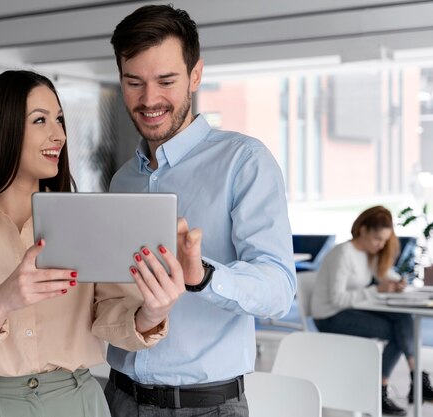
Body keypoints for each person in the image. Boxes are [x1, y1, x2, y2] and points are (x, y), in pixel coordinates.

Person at [0, 70, 192, 417]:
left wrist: (152, 312)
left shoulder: (85, 219)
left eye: (59, 119)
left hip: (78, 403)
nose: (58, 134)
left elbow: (110, 314)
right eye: (40, 120)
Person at [98, 5, 296, 416]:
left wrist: (203, 276)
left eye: (166, 81)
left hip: (207, 407)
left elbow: (279, 289)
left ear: (196, 75)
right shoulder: (122, 181)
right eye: (134, 82)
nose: (149, 99)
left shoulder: (244, 161)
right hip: (118, 399)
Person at [310, 205, 433, 416]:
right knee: (397, 331)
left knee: (403, 318)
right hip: (330, 315)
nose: (381, 245)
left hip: (353, 309)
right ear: (363, 230)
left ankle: (410, 380)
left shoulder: (369, 253)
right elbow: (337, 299)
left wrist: (398, 283)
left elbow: (386, 274)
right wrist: (376, 289)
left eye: (385, 240)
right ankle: (387, 388)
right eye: (378, 239)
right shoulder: (343, 254)